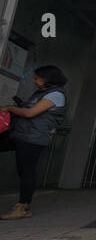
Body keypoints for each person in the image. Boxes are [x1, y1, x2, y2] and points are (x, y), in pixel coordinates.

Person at [0, 65, 69, 220]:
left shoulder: (56, 95)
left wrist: (9, 108)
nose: (34, 81)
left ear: (47, 79)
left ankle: (22, 207)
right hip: (20, 134)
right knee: (24, 170)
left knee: (26, 171)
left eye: (37, 78)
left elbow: (31, 113)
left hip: (33, 138)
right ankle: (22, 206)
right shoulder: (42, 93)